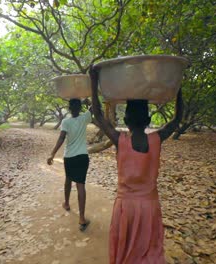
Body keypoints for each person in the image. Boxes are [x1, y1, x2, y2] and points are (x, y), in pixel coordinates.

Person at [90, 65, 183, 263]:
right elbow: (177, 119)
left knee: (126, 251)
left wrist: (93, 78)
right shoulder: (157, 139)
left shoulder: (119, 140)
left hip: (126, 207)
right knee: (149, 251)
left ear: (125, 119)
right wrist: (178, 85)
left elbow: (98, 115)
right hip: (149, 206)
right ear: (149, 120)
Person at [47, 98, 92, 231]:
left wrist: (52, 154)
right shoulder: (85, 117)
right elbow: (95, 106)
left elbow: (61, 138)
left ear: (69, 108)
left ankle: (66, 203)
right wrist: (87, 101)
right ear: (80, 107)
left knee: (68, 179)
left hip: (70, 157)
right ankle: (82, 218)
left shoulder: (66, 121)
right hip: (83, 157)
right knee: (81, 185)